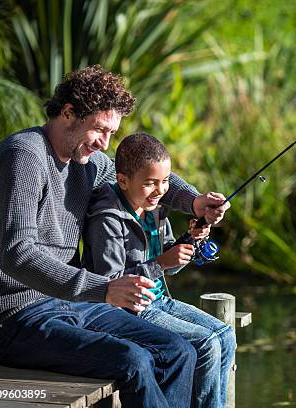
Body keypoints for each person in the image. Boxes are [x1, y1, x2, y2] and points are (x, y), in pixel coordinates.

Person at [0, 65, 230, 408]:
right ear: (68, 113)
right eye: (99, 129)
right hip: (13, 318)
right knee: (134, 360)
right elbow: (18, 254)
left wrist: (194, 201)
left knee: (177, 351)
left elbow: (141, 177)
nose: (104, 143)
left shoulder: (89, 162)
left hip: (72, 303)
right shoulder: (23, 157)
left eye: (111, 133)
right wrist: (103, 289)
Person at [83, 132, 236, 408]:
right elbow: (110, 283)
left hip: (158, 299)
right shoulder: (106, 218)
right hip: (128, 310)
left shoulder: (154, 207)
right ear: (123, 180)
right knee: (206, 343)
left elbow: (170, 266)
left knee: (225, 335)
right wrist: (162, 263)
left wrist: (189, 241)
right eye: (150, 183)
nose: (160, 190)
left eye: (165, 181)